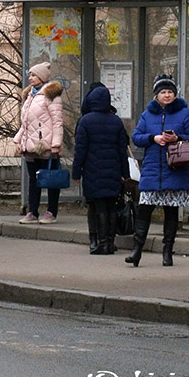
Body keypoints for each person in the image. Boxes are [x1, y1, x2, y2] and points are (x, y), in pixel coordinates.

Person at [128, 74, 189, 267]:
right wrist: (154, 138)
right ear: (156, 95)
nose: (167, 95)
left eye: (170, 92)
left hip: (175, 169)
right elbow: (136, 137)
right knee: (144, 210)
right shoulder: (148, 114)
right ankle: (136, 251)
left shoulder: (184, 113)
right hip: (152, 170)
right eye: (163, 92)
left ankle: (167, 252)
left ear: (175, 94)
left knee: (171, 212)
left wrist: (177, 138)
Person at [72, 83, 129, 255]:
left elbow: (80, 150)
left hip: (92, 170)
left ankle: (99, 241)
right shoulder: (116, 121)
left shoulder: (85, 121)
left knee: (97, 207)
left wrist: (76, 172)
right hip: (113, 171)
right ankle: (110, 242)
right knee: (111, 206)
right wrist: (125, 175)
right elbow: (122, 150)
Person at [13, 61, 64, 224]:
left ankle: (51, 212)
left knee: (50, 179)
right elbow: (26, 122)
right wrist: (18, 139)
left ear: (42, 77)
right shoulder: (30, 95)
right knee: (33, 180)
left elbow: (57, 121)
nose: (30, 78)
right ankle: (32, 211)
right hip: (31, 145)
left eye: (34, 75)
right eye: (30, 75)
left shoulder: (51, 95)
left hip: (46, 145)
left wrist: (56, 144)